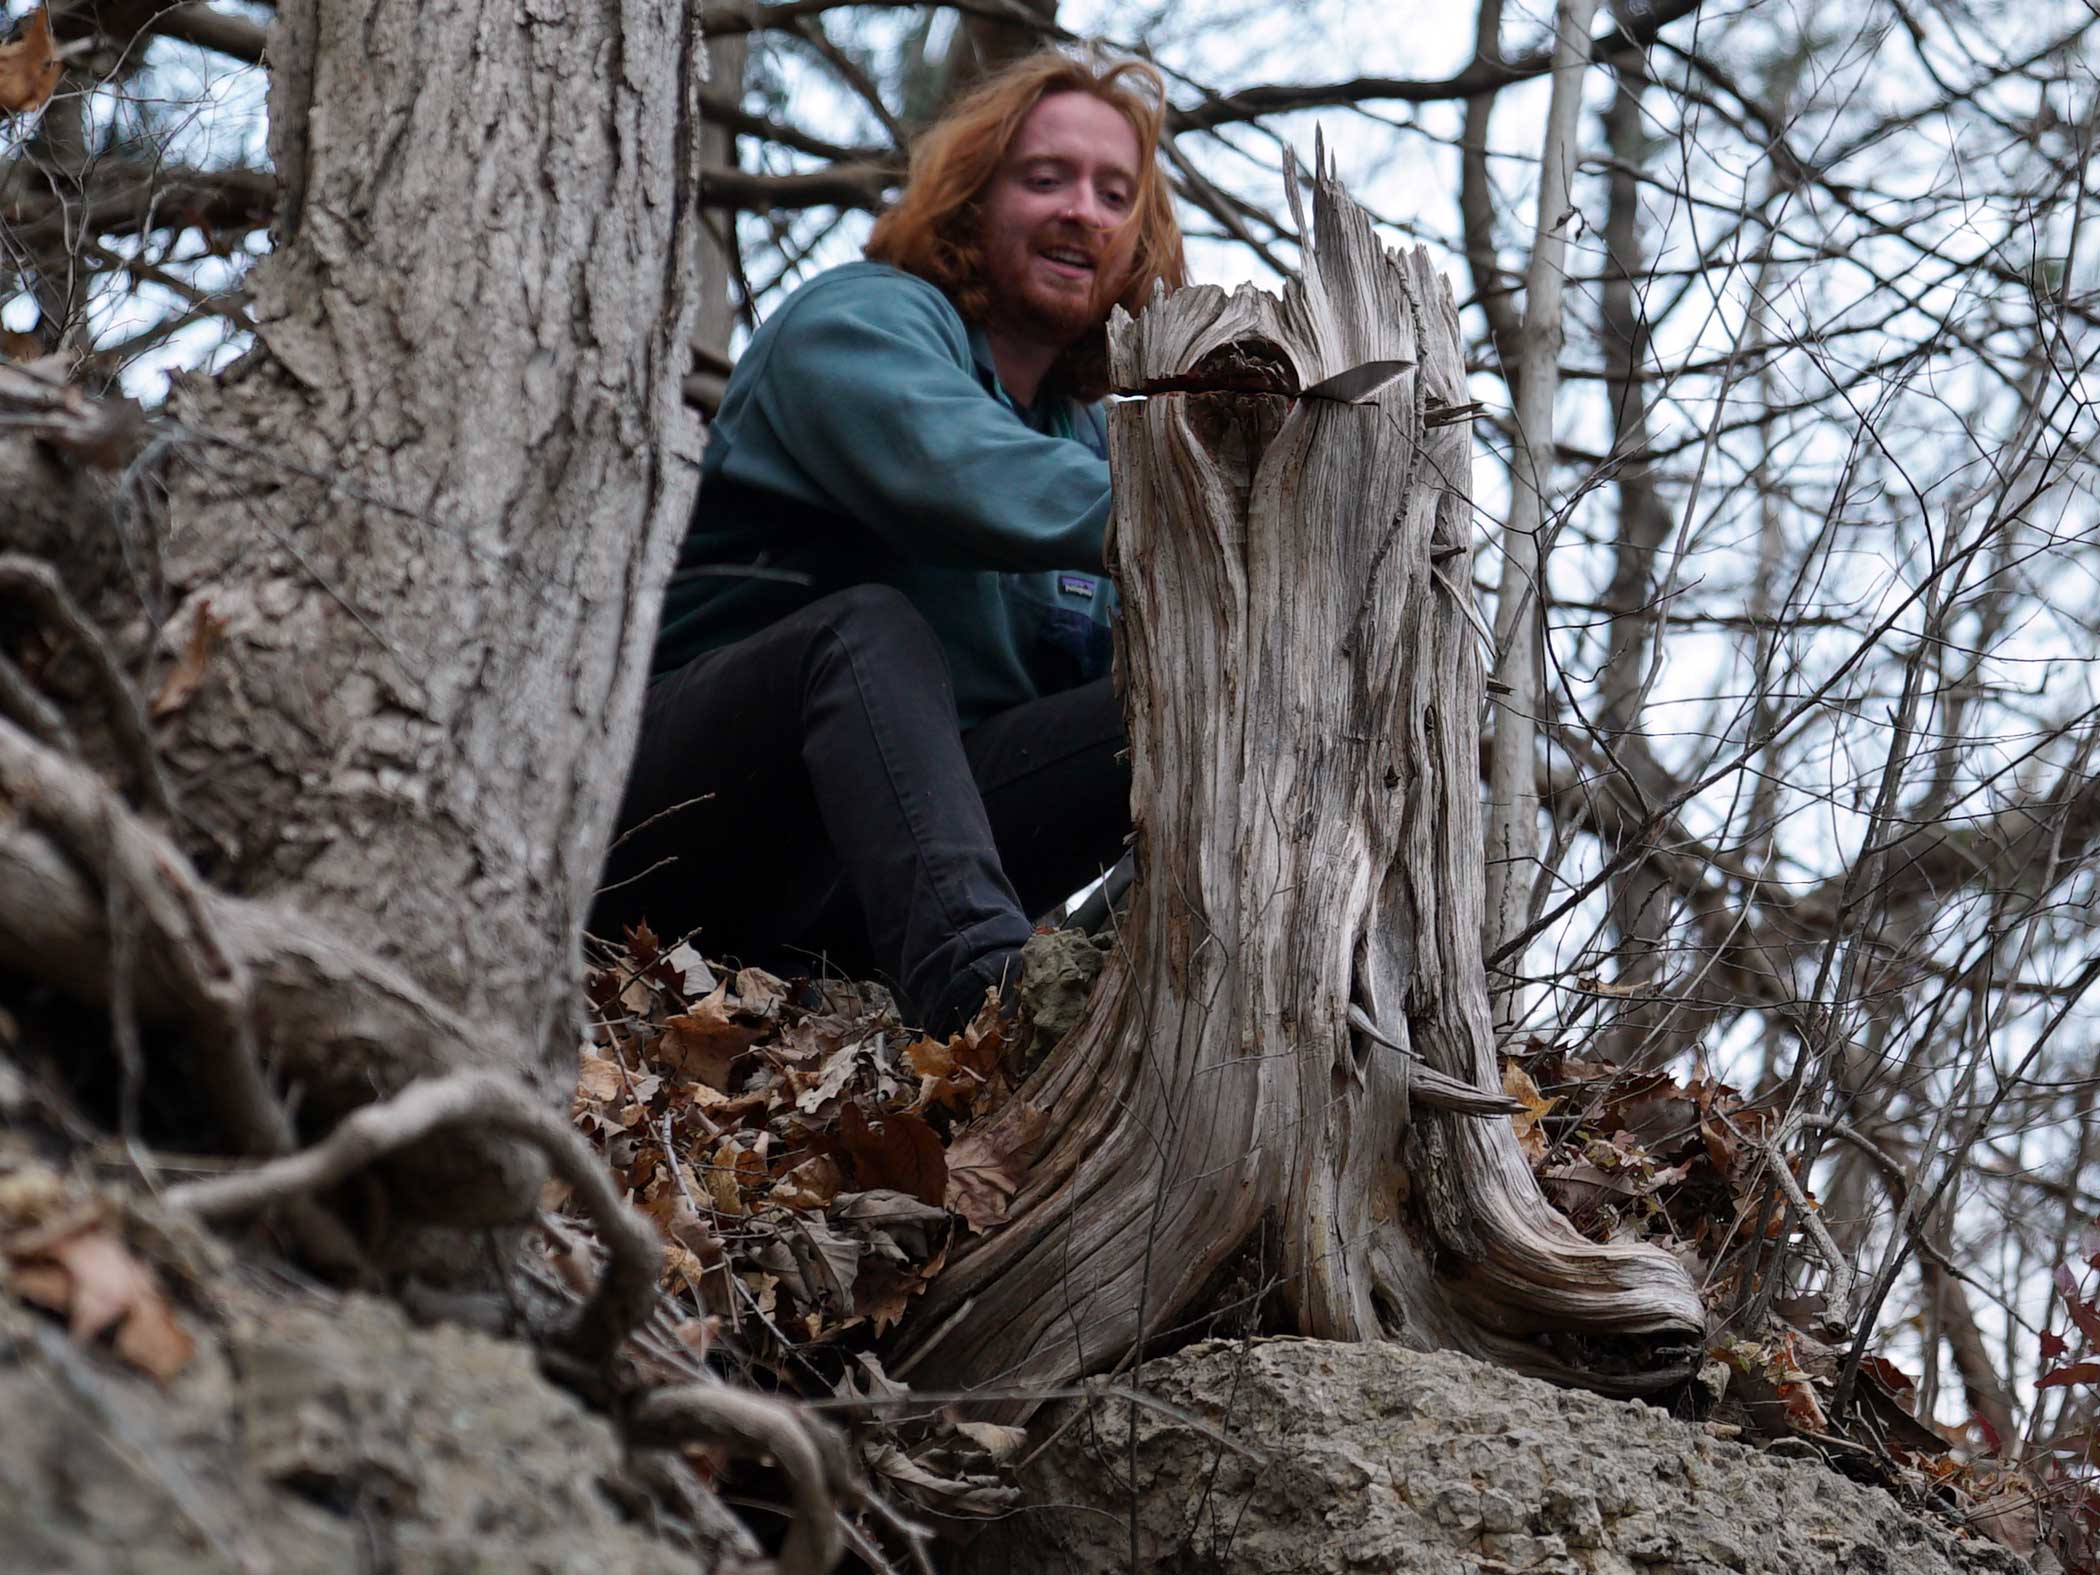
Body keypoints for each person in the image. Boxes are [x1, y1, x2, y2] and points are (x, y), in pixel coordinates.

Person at [596, 50, 1187, 1034]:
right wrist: (1216, 510)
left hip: (867, 884)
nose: (1082, 209)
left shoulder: (1081, 439)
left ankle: (1137, 1020)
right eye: (1045, 179)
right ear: (970, 201)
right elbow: (961, 468)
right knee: (865, 631)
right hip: (678, 841)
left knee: (1183, 701)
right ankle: (988, 1013)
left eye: (1113, 192)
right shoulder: (857, 321)